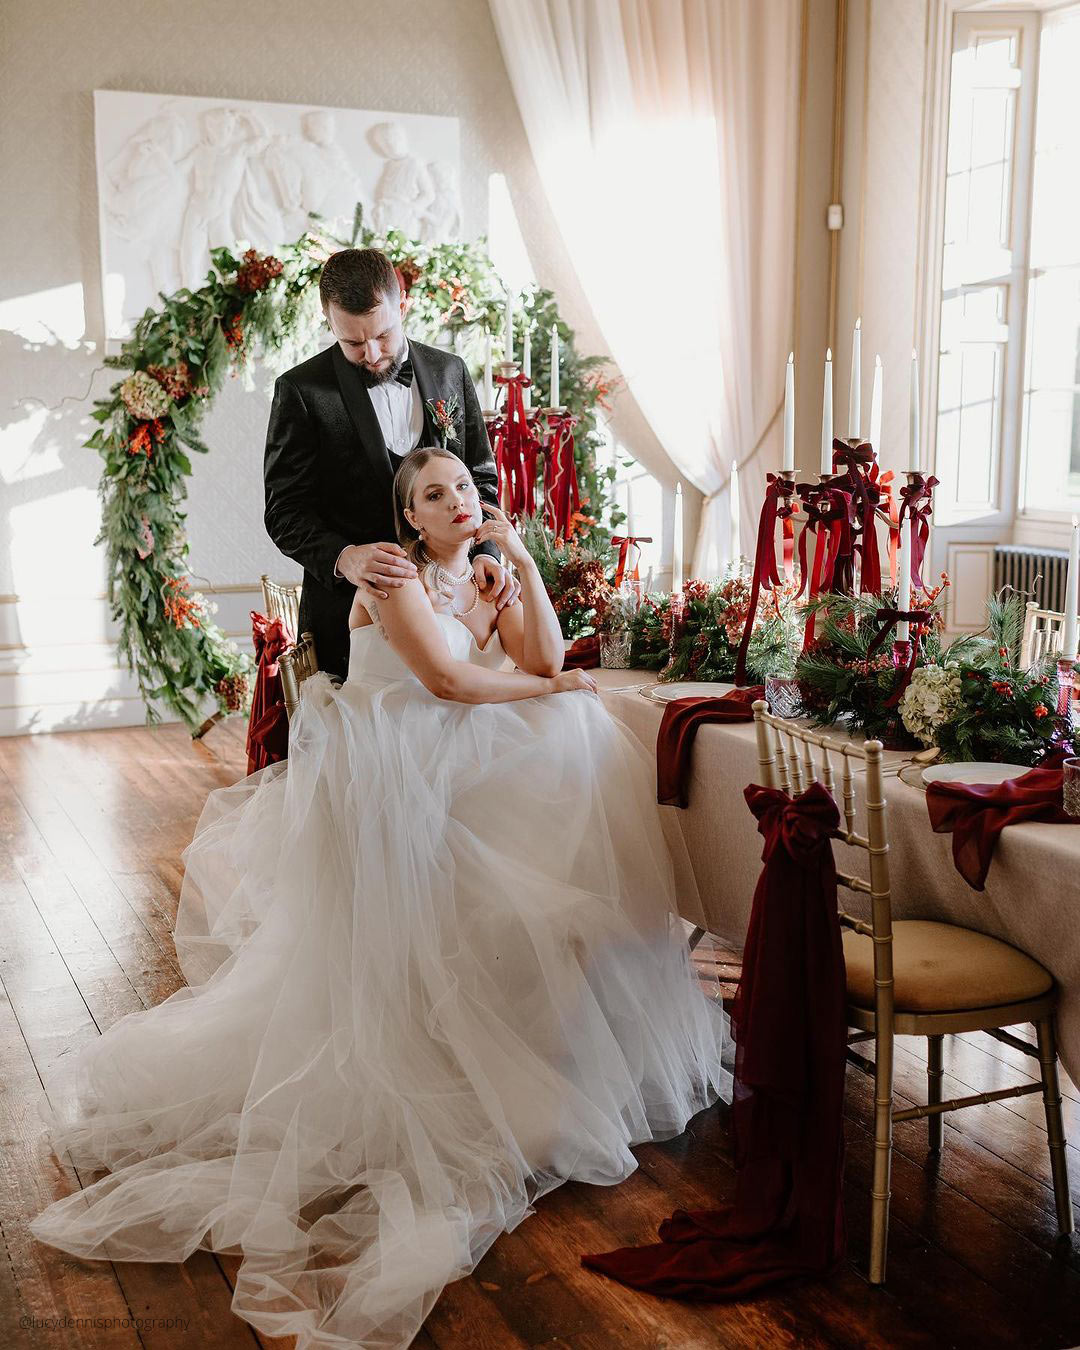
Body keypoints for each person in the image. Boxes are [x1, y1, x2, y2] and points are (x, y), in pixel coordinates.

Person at [29, 446, 731, 1350]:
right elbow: (449, 682)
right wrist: (549, 684)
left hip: (453, 748)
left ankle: (539, 1030)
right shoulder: (397, 575)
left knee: (573, 729)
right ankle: (462, 1047)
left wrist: (518, 564)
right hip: (397, 761)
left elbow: (542, 654)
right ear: (410, 518)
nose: (455, 501)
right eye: (434, 494)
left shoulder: (477, 566)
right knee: (562, 723)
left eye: (466, 489)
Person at [264, 246, 519, 679]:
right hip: (351, 625)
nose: (371, 353)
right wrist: (345, 558)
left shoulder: (449, 371)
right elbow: (285, 511)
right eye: (352, 341)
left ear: (403, 305)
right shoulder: (301, 391)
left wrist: (486, 550)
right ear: (329, 322)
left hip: (456, 610)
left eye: (382, 335)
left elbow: (479, 477)